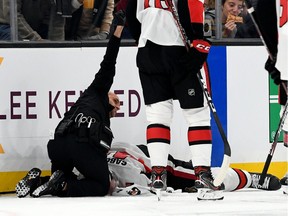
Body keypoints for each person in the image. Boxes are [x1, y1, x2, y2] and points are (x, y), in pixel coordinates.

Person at [15, 10, 126, 198]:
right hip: (80, 144)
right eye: (115, 100)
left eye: (118, 106)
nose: (117, 105)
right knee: (101, 185)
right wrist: (117, 32)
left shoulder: (86, 101)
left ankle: (37, 182)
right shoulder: (97, 90)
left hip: (58, 146)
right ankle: (63, 186)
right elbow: (109, 63)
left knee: (57, 180)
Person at [126, 0, 224, 200]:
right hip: (180, 51)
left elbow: (131, 16)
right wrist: (198, 41)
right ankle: (202, 176)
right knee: (197, 116)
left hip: (148, 53)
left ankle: (158, 174)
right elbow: (193, 6)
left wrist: (146, 39)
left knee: (157, 116)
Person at [15, 141, 283, 198]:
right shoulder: (117, 152)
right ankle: (249, 178)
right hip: (142, 167)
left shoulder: (106, 149)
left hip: (142, 164)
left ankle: (250, 178)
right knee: (196, 175)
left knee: (199, 177)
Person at [0, 0, 72, 41]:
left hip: (37, 27)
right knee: (18, 44)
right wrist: (36, 39)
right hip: (7, 25)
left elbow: (57, 20)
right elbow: (11, 14)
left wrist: (57, 48)